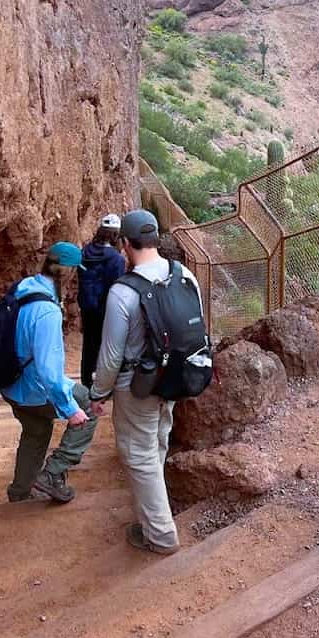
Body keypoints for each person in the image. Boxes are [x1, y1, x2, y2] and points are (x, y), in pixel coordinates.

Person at [89, 209, 203, 556]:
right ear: (156, 239)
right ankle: (153, 515)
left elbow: (110, 357)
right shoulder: (184, 275)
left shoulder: (123, 292)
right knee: (156, 444)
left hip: (135, 387)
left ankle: (161, 534)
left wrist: (98, 393)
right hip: (175, 379)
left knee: (139, 456)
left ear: (125, 243)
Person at [1, 241, 100, 503]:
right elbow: (48, 371)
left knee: (35, 432)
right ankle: (52, 475)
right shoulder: (46, 311)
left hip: (10, 384)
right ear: (66, 271)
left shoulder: (23, 288)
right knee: (87, 408)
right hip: (33, 388)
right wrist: (71, 410)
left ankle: (20, 492)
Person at [77, 214, 126, 388]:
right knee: (108, 345)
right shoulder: (115, 259)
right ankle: (104, 384)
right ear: (116, 235)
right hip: (106, 308)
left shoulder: (85, 252)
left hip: (87, 306)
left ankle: (86, 380)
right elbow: (117, 286)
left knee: (89, 343)